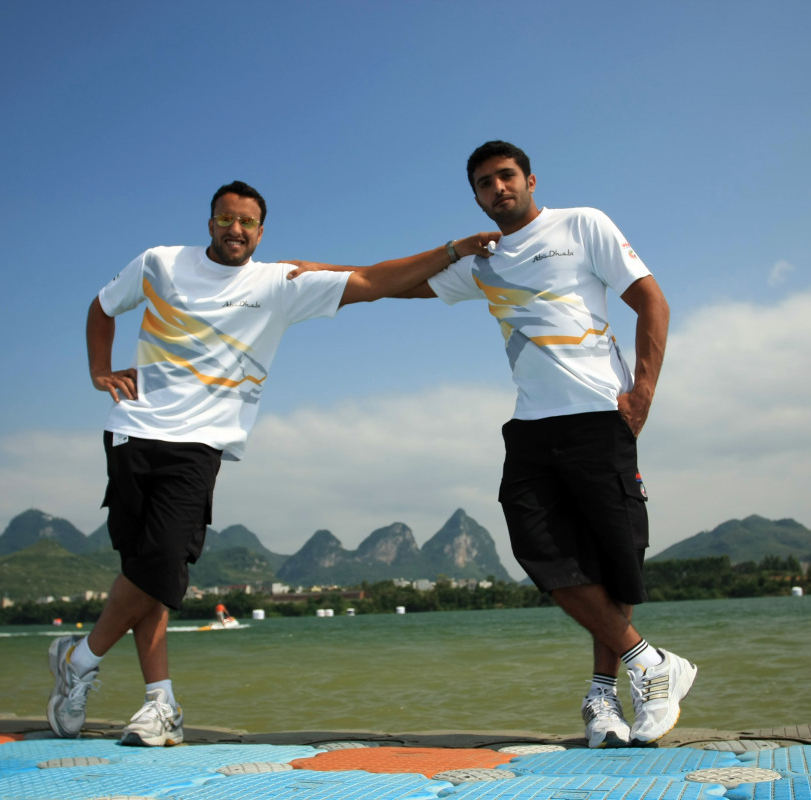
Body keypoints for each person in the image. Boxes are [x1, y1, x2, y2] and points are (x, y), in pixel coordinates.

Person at [47, 179, 496, 746]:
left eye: (247, 222)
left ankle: (80, 660)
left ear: (261, 232)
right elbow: (101, 306)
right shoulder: (159, 263)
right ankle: (160, 703)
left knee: (159, 563)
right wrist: (99, 370)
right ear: (210, 222)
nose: (235, 229)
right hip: (132, 430)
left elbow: (372, 281)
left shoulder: (277, 284)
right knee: (147, 572)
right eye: (225, 218)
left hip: (199, 443)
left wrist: (452, 251)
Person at [297, 141, 694, 747]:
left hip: (598, 414)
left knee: (610, 563)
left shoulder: (582, 225)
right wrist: (312, 271)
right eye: (484, 183)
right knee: (541, 551)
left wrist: (642, 392)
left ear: (531, 180)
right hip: (531, 424)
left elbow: (651, 301)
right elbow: (386, 284)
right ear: (477, 198)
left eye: (506, 176)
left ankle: (604, 697)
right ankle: (651, 663)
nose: (498, 188)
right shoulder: (483, 261)